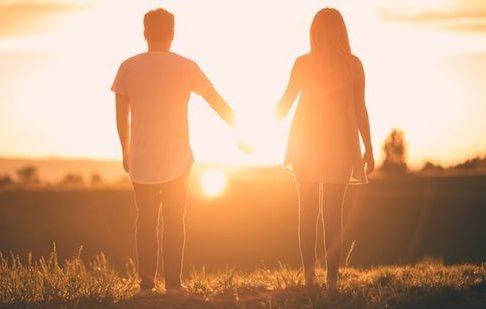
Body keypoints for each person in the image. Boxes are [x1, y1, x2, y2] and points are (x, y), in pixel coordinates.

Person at [111, 8, 236, 297]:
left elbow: (121, 116)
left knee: (145, 221)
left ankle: (145, 287)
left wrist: (125, 150)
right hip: (178, 159)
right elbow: (214, 98)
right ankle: (174, 286)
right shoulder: (186, 66)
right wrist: (239, 129)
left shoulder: (127, 67)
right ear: (173, 33)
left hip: (141, 157)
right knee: (174, 221)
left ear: (144, 33)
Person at [274, 8, 374, 290]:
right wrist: (368, 147)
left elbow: (285, 103)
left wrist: (252, 133)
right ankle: (331, 280)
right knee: (333, 213)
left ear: (313, 32)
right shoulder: (353, 64)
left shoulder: (304, 63)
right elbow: (360, 109)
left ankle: (309, 277)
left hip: (306, 142)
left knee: (307, 211)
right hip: (340, 144)